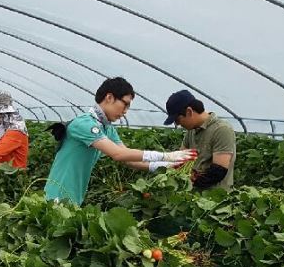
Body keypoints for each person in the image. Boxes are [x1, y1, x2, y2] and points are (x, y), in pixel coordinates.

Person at [44, 77, 196, 206]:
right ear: (109, 97)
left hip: (74, 197)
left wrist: (168, 165)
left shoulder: (107, 128)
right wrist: (167, 155)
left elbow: (129, 160)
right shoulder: (84, 124)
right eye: (125, 104)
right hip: (56, 197)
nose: (125, 111)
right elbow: (118, 154)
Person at [165, 88, 237, 267]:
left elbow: (219, 170)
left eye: (178, 119)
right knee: (190, 256)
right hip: (192, 204)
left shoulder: (221, 130)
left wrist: (192, 179)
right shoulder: (192, 132)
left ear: (189, 111)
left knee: (208, 260)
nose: (178, 124)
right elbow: (185, 160)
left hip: (216, 206)